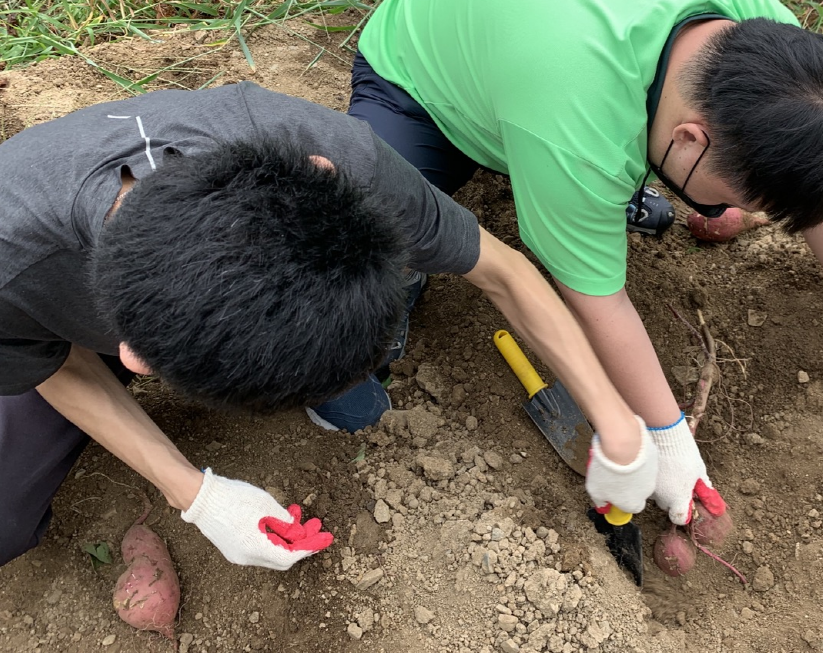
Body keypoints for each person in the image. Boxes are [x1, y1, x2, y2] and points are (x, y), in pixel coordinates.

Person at [349, 0, 823, 526]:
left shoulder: (785, 64)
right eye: (730, 199)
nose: (741, 214)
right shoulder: (578, 131)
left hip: (537, 59)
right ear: (689, 138)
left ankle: (599, 195)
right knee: (371, 227)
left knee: (589, 175)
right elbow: (597, 300)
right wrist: (666, 435)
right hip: (421, 81)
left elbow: (809, 172)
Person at [0, 82, 656, 569]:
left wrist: (621, 426)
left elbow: (506, 271)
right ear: (137, 357)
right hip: (40, 308)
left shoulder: (328, 152)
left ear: (322, 175)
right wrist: (193, 493)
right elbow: (55, 363)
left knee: (358, 404)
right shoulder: (13, 259)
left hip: (152, 290)